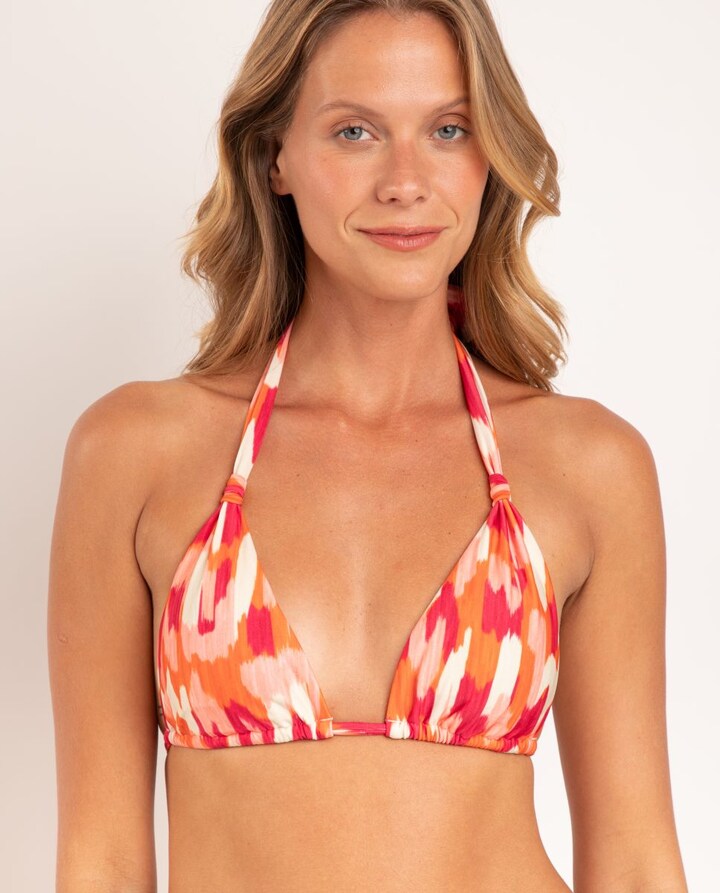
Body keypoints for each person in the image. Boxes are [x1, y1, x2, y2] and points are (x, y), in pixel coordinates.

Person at [48, 1, 688, 890]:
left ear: (490, 154)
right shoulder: (135, 452)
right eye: (355, 131)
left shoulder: (590, 465)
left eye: (449, 129)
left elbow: (636, 863)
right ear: (275, 154)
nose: (406, 181)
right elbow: (102, 861)